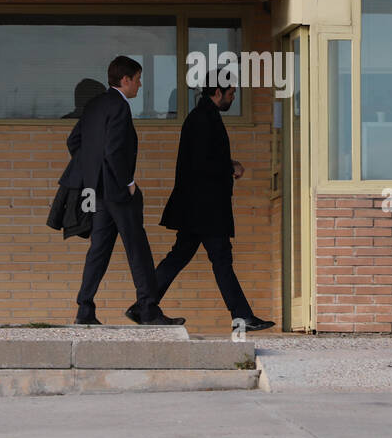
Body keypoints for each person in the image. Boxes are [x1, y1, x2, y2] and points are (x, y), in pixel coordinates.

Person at [126, 77, 275, 333]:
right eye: (231, 93)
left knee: (180, 256)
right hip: (205, 207)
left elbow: (205, 157)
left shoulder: (202, 116)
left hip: (197, 207)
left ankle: (144, 306)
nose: (233, 97)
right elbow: (203, 162)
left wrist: (228, 163)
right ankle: (242, 316)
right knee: (220, 258)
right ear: (218, 91)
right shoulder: (203, 118)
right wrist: (230, 165)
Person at [62, 56, 181, 326]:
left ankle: (84, 309)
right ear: (125, 80)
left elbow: (74, 142)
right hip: (118, 191)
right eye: (138, 80)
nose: (139, 86)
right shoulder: (119, 107)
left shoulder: (94, 105)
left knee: (99, 250)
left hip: (99, 191)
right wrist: (128, 183)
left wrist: (94, 173)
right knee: (137, 248)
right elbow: (114, 150)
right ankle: (148, 310)